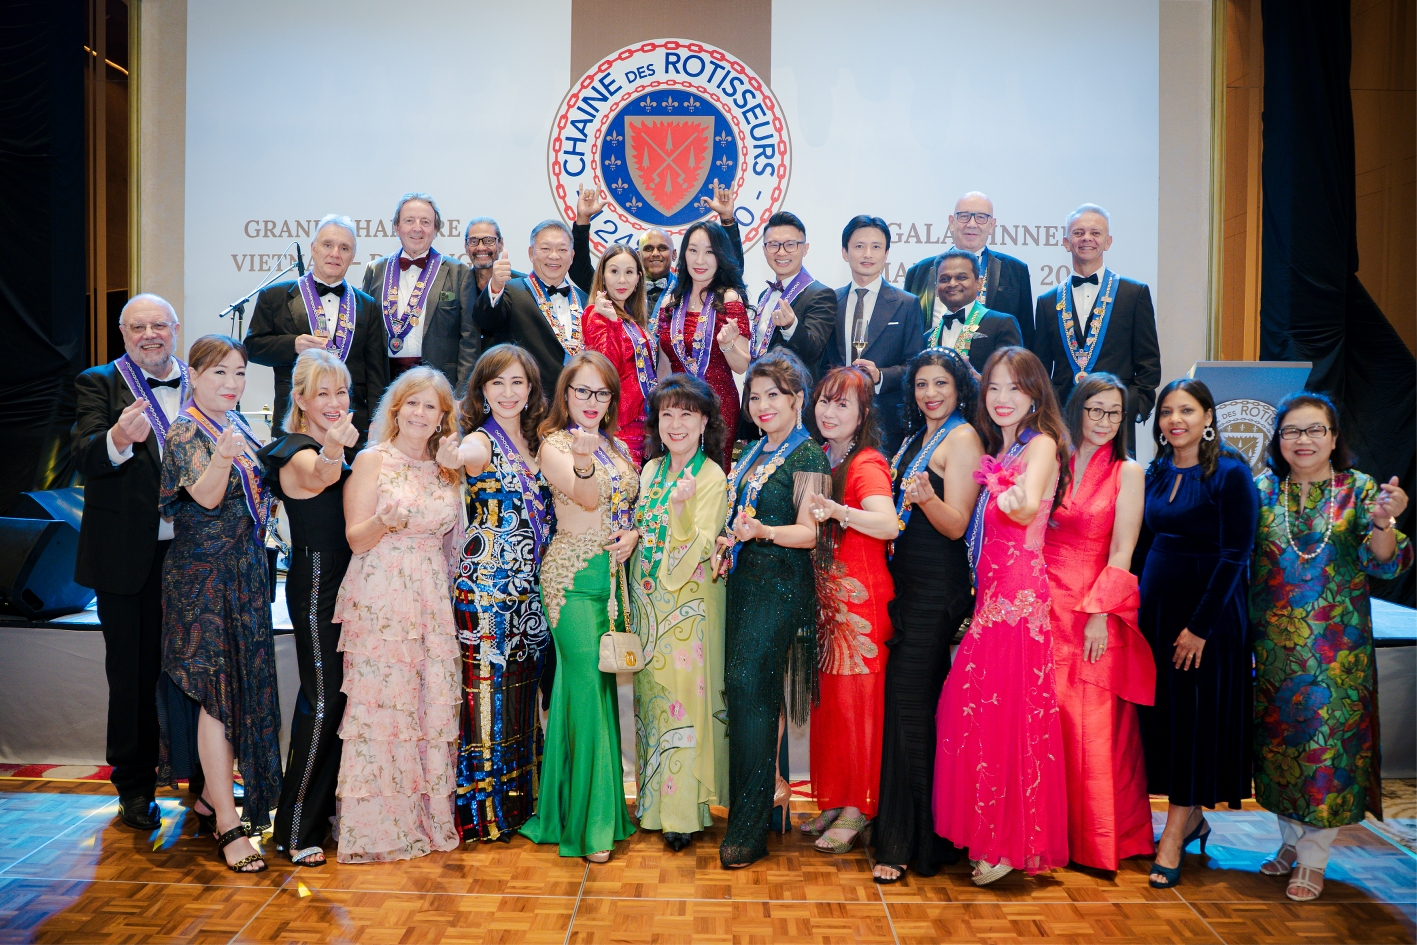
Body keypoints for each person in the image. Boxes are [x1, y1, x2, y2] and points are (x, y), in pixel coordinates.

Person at [1250, 392, 1411, 901]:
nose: (1304, 440)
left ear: (1334, 437)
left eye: (1315, 429)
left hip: (1337, 654)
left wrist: (1384, 523)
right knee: (1282, 752)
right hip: (1275, 651)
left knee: (1327, 752)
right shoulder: (1262, 490)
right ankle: (1290, 841)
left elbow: (1385, 562)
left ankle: (1314, 857)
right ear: (1278, 440)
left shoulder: (1359, 490)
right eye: (1292, 431)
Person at [932, 346, 1070, 886]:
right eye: (994, 387)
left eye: (1015, 387)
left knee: (1006, 721)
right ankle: (992, 833)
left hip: (1018, 604)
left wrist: (1016, 500)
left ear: (1035, 394)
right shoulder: (1002, 448)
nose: (1002, 397)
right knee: (975, 715)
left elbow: (1029, 502)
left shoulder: (1041, 445)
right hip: (992, 600)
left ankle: (1010, 842)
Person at [155, 334, 280, 873]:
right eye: (220, 373)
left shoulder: (238, 425)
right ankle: (228, 825)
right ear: (195, 376)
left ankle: (210, 799)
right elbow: (205, 497)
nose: (232, 383)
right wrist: (224, 459)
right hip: (202, 580)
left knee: (237, 691)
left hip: (243, 574)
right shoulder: (186, 429)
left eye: (239, 373)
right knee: (216, 696)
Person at [334, 367, 462, 863]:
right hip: (383, 594)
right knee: (385, 708)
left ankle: (426, 819)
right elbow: (354, 539)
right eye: (412, 403)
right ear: (396, 408)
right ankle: (379, 827)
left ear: (442, 417)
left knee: (426, 707)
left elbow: (451, 545)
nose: (420, 413)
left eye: (431, 406)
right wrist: (382, 522)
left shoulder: (446, 467)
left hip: (431, 598)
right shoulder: (373, 460)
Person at [72, 294, 188, 832]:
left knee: (199, 671)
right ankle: (135, 788)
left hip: (195, 557)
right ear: (123, 334)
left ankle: (204, 782)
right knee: (133, 677)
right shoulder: (98, 382)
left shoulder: (200, 381)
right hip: (126, 559)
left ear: (175, 329)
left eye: (158, 325)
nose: (149, 335)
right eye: (138, 327)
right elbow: (83, 455)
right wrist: (117, 438)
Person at [1136, 378, 1259, 888]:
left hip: (1207, 619)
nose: (1174, 420)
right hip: (1157, 614)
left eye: (1186, 410)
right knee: (1166, 722)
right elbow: (1143, 544)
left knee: (1192, 724)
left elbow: (1236, 556)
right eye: (1167, 411)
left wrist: (1199, 628)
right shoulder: (1156, 471)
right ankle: (1191, 820)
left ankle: (1172, 837)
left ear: (1208, 416)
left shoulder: (1230, 473)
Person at [713, 349, 832, 869]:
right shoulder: (755, 450)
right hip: (744, 584)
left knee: (751, 693)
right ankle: (754, 809)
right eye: (755, 397)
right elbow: (740, 516)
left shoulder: (810, 457)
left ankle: (751, 827)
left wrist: (762, 531)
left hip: (781, 586)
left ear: (797, 399)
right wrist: (727, 542)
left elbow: (810, 534)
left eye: (773, 396)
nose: (762, 405)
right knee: (745, 695)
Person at [869, 347, 983, 883]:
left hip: (938, 589)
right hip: (910, 588)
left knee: (908, 705)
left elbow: (957, 524)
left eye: (941, 383)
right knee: (909, 707)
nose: (930, 393)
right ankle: (918, 835)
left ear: (960, 388)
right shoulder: (921, 436)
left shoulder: (963, 438)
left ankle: (909, 843)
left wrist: (925, 500)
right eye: (921, 384)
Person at [520, 351, 639, 862]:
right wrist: (585, 461)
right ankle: (592, 827)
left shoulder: (617, 446)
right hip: (570, 581)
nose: (592, 401)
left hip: (612, 580)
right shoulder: (553, 444)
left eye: (602, 392)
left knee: (594, 692)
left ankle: (584, 808)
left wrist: (633, 534)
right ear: (565, 394)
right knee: (588, 691)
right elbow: (587, 499)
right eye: (582, 391)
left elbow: (629, 507)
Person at [437, 345, 552, 842]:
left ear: (531, 390)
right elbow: (461, 458)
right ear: (482, 391)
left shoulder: (537, 441)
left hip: (529, 594)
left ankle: (521, 804)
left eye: (517, 382)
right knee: (486, 701)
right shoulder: (480, 441)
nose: (508, 392)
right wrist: (450, 455)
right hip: (486, 593)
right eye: (497, 383)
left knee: (521, 700)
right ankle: (485, 815)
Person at [1043, 373, 1155, 872]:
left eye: (1115, 413)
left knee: (1090, 720)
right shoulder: (1054, 459)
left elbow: (1123, 549)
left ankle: (1095, 840)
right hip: (1042, 599)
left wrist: (1100, 613)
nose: (1106, 421)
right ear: (1077, 409)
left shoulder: (1128, 471)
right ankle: (1046, 832)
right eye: (1096, 410)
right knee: (1046, 717)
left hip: (1091, 605)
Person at [257, 349, 361, 865]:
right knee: (322, 702)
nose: (334, 401)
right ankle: (295, 830)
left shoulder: (334, 445)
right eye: (323, 393)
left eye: (341, 391)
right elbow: (321, 475)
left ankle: (320, 816)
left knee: (339, 702)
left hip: (350, 582)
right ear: (300, 399)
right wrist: (335, 448)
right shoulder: (295, 450)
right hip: (317, 584)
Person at [628, 374, 730, 851]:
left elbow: (700, 548)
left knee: (683, 706)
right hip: (648, 605)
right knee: (652, 705)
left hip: (688, 610)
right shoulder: (651, 470)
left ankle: (683, 814)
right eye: (667, 414)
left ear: (705, 421)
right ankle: (653, 807)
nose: (676, 424)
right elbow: (642, 529)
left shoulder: (712, 477)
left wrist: (682, 510)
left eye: (686, 414)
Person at [800, 367, 899, 855]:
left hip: (861, 605)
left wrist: (840, 512)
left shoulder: (866, 463)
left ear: (862, 416)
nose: (829, 412)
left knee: (859, 709)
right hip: (828, 607)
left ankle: (860, 806)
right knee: (833, 708)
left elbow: (888, 524)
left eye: (843, 405)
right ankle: (838, 798)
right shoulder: (822, 456)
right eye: (824, 401)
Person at [245, 214, 389, 442]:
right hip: (295, 420)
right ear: (313, 248)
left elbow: (375, 373)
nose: (335, 254)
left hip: (351, 426)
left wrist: (378, 422)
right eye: (328, 245)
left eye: (344, 248)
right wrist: (293, 345)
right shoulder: (274, 296)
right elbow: (252, 348)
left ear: (352, 257)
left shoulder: (367, 305)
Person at [1030, 204, 1161, 453]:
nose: (1087, 238)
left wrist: (1132, 407)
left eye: (1095, 233)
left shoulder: (1134, 294)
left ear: (1108, 242)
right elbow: (1041, 369)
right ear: (1066, 242)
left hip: (1115, 420)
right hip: (1064, 421)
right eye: (1078, 233)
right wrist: (1048, 413)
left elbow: (1149, 363)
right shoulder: (1047, 301)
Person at [821, 215, 924, 453]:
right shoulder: (830, 300)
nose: (867, 254)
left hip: (886, 422)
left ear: (886, 254)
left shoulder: (906, 303)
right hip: (835, 420)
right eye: (859, 246)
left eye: (876, 247)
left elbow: (915, 365)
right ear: (845, 252)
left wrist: (880, 376)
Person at [570, 181, 744, 315]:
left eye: (662, 248)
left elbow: (733, 269)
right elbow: (580, 272)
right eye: (648, 249)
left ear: (674, 254)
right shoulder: (621, 287)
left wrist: (727, 219)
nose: (655, 254)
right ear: (638, 255)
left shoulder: (688, 288)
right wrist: (583, 220)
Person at [657, 221, 751, 469]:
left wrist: (727, 345)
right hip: (675, 408)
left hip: (718, 408)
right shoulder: (670, 302)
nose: (700, 260)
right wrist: (656, 411)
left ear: (720, 256)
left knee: (711, 476)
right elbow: (664, 366)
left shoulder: (729, 299)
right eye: (693, 250)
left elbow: (742, 365)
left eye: (709, 251)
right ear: (683, 255)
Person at [360, 192, 479, 388]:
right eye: (409, 221)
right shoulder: (375, 270)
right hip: (384, 386)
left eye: (425, 222)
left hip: (441, 386)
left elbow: (470, 341)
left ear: (435, 229)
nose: (417, 228)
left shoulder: (459, 272)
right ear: (396, 227)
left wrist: (461, 394)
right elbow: (366, 335)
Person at [903, 192, 1035, 347]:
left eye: (981, 217)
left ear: (991, 225)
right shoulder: (919, 272)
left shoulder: (1016, 270)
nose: (972, 224)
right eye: (964, 216)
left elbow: (1026, 339)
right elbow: (908, 336)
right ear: (952, 222)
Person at [474, 220, 589, 397]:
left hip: (576, 401)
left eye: (562, 250)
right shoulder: (511, 291)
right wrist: (495, 286)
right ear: (531, 253)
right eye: (545, 248)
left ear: (572, 255)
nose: (554, 256)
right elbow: (485, 320)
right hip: (528, 402)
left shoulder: (585, 299)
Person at [584, 245, 654, 465]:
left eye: (629, 272)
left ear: (638, 278)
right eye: (614, 271)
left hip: (641, 421)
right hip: (617, 422)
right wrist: (612, 322)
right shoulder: (596, 314)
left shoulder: (634, 319)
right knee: (622, 480)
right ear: (603, 277)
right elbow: (608, 371)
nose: (622, 280)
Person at [749, 211, 837, 378]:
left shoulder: (821, 295)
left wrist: (791, 326)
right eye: (773, 245)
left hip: (795, 391)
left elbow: (814, 351)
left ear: (805, 249)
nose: (781, 252)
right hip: (758, 388)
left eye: (790, 244)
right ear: (764, 250)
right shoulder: (764, 295)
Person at [924, 248, 1023, 373]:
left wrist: (981, 381)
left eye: (961, 277)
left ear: (979, 283)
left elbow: (1014, 376)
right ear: (936, 288)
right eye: (944, 279)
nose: (952, 283)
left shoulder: (1002, 324)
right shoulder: (927, 337)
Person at [462, 217, 524, 296]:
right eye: (474, 241)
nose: (481, 248)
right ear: (466, 246)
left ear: (501, 244)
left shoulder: (522, 285)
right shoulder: (458, 285)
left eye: (488, 241)